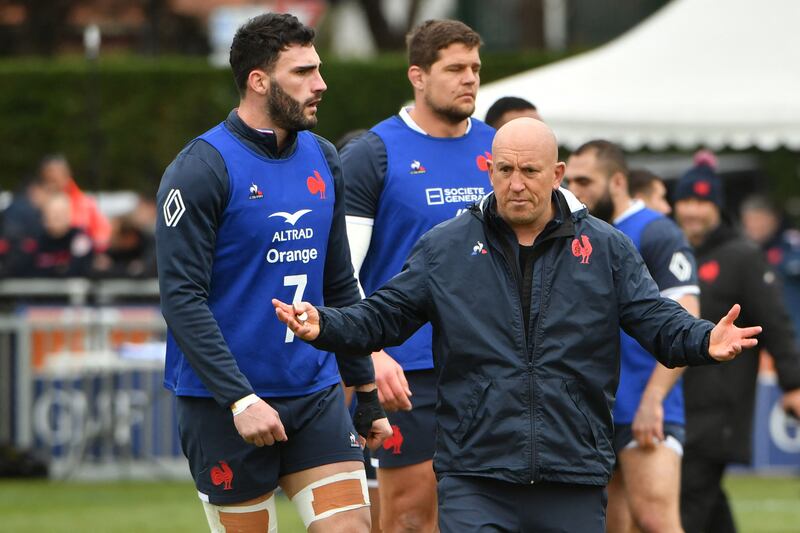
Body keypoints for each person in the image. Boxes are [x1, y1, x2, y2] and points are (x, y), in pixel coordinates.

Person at [274, 118, 763, 533]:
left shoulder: (606, 248)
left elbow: (655, 318)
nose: (516, 184)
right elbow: (384, 316)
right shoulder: (446, 247)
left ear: (557, 174)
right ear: (488, 170)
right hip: (475, 472)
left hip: (573, 472)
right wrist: (327, 324)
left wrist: (703, 338)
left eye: (530, 171)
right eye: (504, 170)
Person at [155, 13, 391, 533]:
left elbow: (339, 285)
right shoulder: (201, 168)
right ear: (259, 81)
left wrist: (365, 390)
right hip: (225, 405)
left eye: (318, 69)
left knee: (350, 527)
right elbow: (181, 297)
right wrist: (239, 399)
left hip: (314, 391)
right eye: (303, 72)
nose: (321, 84)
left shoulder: (323, 157)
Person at [339, 18, 493, 532]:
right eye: (454, 68)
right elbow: (341, 270)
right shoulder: (373, 154)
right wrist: (371, 351)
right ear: (418, 76)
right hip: (408, 366)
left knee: (488, 510)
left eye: (474, 67)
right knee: (408, 515)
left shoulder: (501, 151)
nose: (469, 78)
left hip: (492, 362)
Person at [564, 140, 699, 533]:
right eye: (569, 179)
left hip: (645, 406)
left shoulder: (656, 231)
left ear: (618, 181)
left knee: (655, 519)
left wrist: (652, 400)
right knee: (607, 526)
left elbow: (687, 321)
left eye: (585, 180)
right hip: (590, 410)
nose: (575, 189)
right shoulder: (577, 232)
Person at [672, 162, 800, 533]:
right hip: (678, 398)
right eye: (686, 202)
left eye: (703, 203)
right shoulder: (670, 251)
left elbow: (776, 322)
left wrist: (793, 384)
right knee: (705, 506)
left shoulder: (741, 256)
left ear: (718, 208)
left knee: (687, 501)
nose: (693, 211)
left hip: (720, 405)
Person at [740, 194, 800, 335]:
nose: (753, 226)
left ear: (773, 219)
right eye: (749, 221)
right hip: (767, 339)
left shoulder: (792, 244)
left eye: (758, 219)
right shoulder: (743, 252)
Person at [38, 154, 112, 252]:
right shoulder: (35, 204)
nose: (53, 182)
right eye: (49, 179)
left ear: (67, 175)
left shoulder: (85, 205)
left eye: (56, 178)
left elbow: (102, 235)